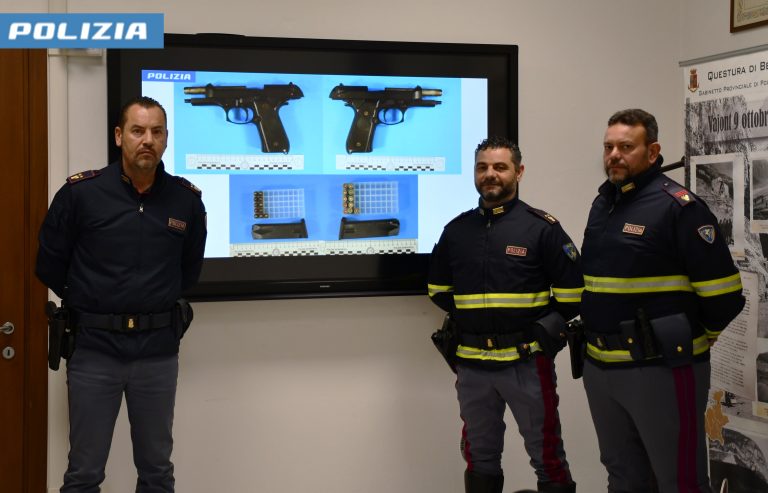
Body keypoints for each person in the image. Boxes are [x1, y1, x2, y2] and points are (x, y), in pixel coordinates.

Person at [36, 96, 207, 492]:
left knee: (157, 472)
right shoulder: (81, 194)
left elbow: (189, 272)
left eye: (156, 132)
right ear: (119, 136)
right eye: (137, 130)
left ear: (166, 139)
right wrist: (93, 300)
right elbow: (48, 264)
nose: (147, 140)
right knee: (84, 474)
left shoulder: (186, 200)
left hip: (157, 354)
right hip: (94, 351)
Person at [580, 108, 745, 493]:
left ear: (653, 152)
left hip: (660, 368)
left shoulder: (679, 207)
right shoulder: (603, 204)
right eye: (608, 147)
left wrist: (697, 334)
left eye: (626, 147)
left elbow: (724, 295)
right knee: (622, 477)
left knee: (679, 480)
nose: (614, 155)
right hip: (601, 368)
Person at [428, 136, 583, 493]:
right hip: (472, 365)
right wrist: (477, 320)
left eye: (500, 167)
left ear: (519, 172)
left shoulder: (541, 228)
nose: (490, 174)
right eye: (482, 167)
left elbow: (574, 294)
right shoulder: (456, 231)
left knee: (547, 455)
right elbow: (437, 290)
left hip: (526, 362)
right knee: (478, 456)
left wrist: (543, 330)